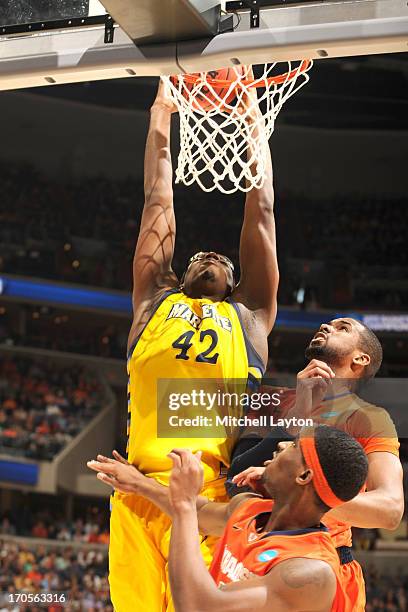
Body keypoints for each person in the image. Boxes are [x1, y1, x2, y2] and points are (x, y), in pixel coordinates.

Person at [108, 79, 279, 611]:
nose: (212, 258)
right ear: (181, 273)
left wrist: (254, 119)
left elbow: (262, 208)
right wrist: (161, 115)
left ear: (236, 282)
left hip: (207, 496)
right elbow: (158, 196)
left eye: (223, 261)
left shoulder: (249, 317)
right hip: (136, 489)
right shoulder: (153, 302)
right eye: (201, 256)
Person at [87, 424, 369, 611]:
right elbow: (200, 514)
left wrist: (184, 503)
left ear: (304, 476)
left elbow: (198, 606)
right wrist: (138, 483)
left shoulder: (309, 572)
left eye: (294, 446)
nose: (281, 445)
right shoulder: (249, 508)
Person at [229, 317, 404, 610]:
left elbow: (389, 510)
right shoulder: (271, 402)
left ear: (360, 358)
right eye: (327, 324)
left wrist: (302, 490)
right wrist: (298, 414)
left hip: (324, 563)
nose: (326, 326)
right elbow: (234, 483)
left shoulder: (368, 419)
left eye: (342, 327)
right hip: (253, 552)